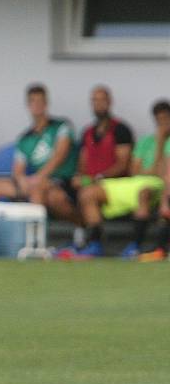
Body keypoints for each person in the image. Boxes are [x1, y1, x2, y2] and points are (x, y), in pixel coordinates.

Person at [71, 100, 169, 259]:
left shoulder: (164, 142)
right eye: (159, 119)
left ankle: (136, 246)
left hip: (157, 186)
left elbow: (160, 173)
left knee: (143, 193)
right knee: (88, 193)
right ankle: (95, 244)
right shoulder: (145, 141)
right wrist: (149, 169)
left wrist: (160, 143)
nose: (162, 124)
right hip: (132, 182)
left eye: (166, 119)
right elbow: (134, 170)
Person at [0, 84, 78, 225]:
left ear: (46, 104)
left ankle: (34, 243)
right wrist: (21, 180)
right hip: (35, 182)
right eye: (33, 101)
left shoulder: (61, 126)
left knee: (38, 187)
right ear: (28, 105)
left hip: (60, 182)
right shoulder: (25, 138)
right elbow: (18, 169)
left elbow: (59, 156)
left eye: (40, 101)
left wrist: (38, 177)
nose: (37, 105)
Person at [57, 86, 135, 258]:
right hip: (91, 182)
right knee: (59, 195)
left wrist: (99, 177)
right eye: (95, 100)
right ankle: (79, 236)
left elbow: (123, 164)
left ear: (110, 102)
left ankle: (95, 243)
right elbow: (83, 162)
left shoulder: (121, 130)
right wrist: (80, 177)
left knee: (88, 194)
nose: (98, 104)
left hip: (114, 184)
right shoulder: (87, 132)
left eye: (102, 100)